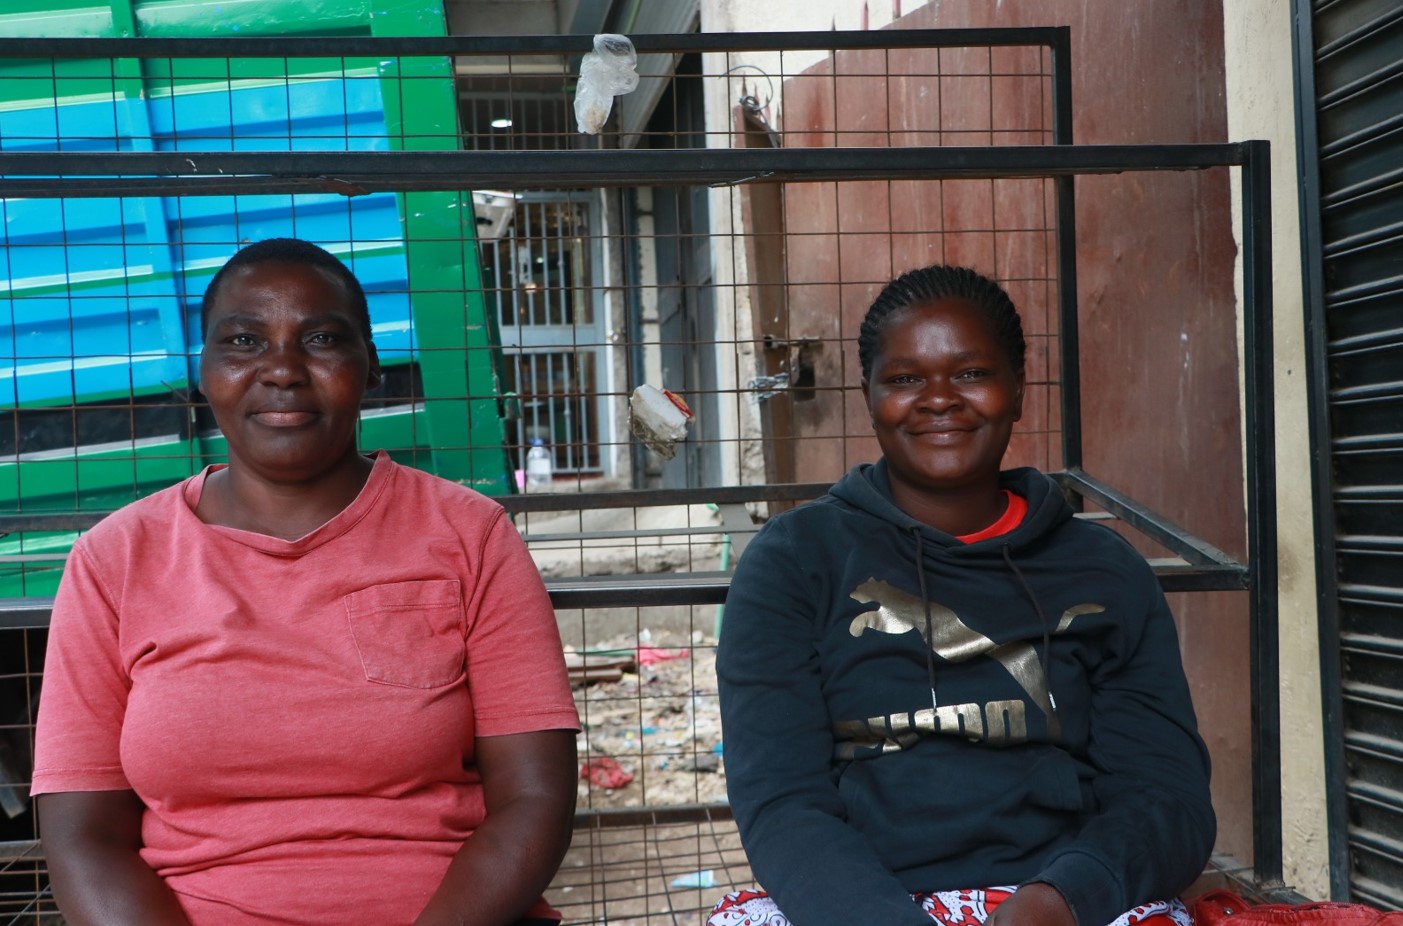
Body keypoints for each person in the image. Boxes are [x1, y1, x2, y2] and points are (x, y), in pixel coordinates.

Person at [32, 238, 581, 926]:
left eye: (322, 339)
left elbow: (535, 798)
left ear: (371, 365)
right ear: (203, 371)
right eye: (244, 341)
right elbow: (83, 834)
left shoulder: (469, 534)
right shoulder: (114, 559)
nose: (283, 370)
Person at [711, 265, 1214, 926]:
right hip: (857, 905)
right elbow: (781, 800)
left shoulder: (1102, 571)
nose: (939, 399)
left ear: (1017, 391)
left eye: (971, 373)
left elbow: (1167, 796)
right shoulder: (793, 564)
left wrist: (1061, 898)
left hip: (1059, 905)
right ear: (869, 396)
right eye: (904, 378)